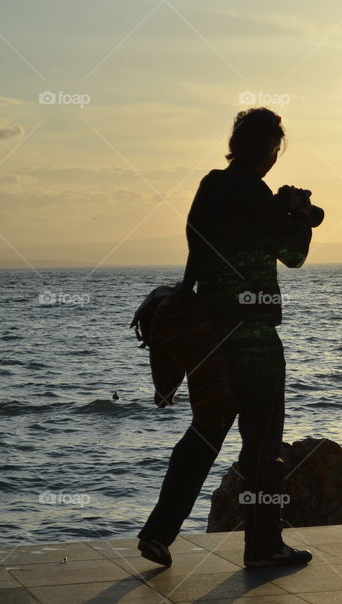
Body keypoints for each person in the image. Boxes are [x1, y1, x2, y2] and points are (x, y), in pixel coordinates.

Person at [137, 108, 319, 568]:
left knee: (204, 434)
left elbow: (206, 248)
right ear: (270, 150)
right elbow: (293, 254)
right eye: (275, 150)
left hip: (208, 336)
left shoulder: (211, 186)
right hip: (254, 338)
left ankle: (158, 533)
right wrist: (297, 215)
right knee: (261, 449)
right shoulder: (257, 195)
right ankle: (263, 546)